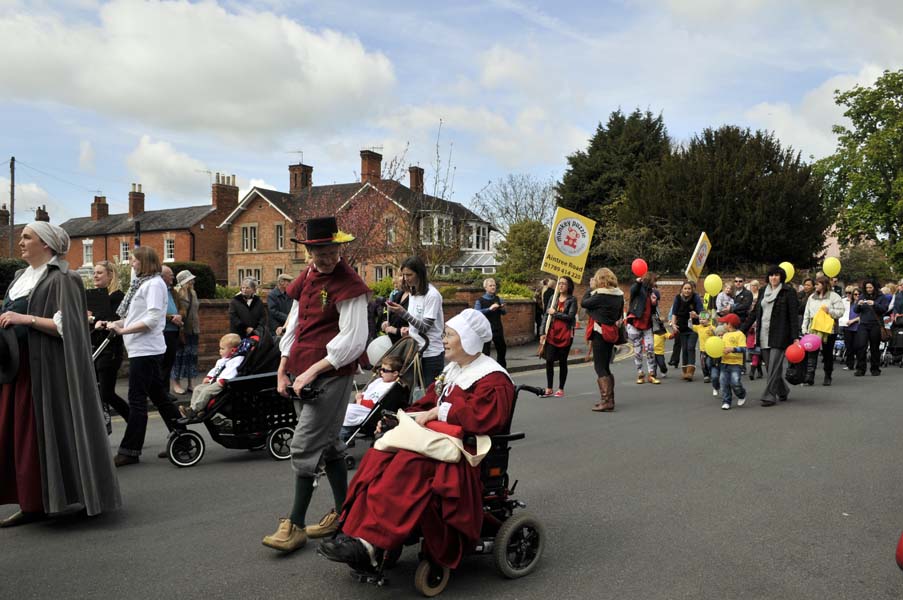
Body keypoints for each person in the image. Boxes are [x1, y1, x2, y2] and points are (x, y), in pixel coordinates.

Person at [317, 309, 514, 570]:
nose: (443, 340)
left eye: (450, 335)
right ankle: (354, 530)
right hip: (434, 442)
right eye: (445, 334)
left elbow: (485, 418)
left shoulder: (493, 378)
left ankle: (371, 542)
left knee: (406, 464)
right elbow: (427, 402)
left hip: (463, 452)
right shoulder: (454, 369)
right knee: (379, 454)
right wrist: (400, 419)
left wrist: (438, 412)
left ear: (469, 340)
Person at [262, 216, 370, 554]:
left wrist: (312, 372)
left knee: (304, 446)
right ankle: (346, 513)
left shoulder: (349, 284)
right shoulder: (307, 277)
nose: (323, 257)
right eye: (317, 251)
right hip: (300, 371)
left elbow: (354, 339)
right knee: (329, 445)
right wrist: (283, 368)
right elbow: (294, 326)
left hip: (331, 374)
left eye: (329, 250)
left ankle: (294, 525)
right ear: (309, 250)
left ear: (339, 247)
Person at [0, 222, 120, 526]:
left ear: (47, 244)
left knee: (58, 431)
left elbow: (69, 327)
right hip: (18, 368)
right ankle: (32, 503)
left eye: (28, 237)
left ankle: (80, 496)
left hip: (50, 371)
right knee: (21, 436)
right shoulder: (19, 278)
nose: (21, 242)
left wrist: (23, 318)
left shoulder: (63, 279)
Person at [99, 246, 186, 466]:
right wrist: (115, 324)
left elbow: (153, 320)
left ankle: (130, 450)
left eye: (134, 260)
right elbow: (134, 317)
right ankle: (182, 439)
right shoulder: (142, 284)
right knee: (160, 397)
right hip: (141, 349)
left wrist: (123, 330)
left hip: (146, 351)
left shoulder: (155, 285)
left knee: (137, 400)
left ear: (145, 262)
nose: (131, 264)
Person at [741, 265, 800, 407]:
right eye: (771, 275)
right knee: (770, 366)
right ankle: (783, 390)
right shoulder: (763, 291)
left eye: (777, 275)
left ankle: (769, 395)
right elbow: (755, 313)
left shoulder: (788, 292)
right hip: (763, 334)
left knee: (773, 365)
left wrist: (795, 337)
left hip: (780, 334)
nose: (774, 278)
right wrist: (742, 329)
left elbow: (793, 316)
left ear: (781, 277)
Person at [386, 256, 445, 384]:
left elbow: (425, 327)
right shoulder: (413, 292)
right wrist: (409, 329)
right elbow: (415, 324)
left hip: (431, 354)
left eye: (409, 275)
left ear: (420, 274)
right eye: (403, 275)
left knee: (430, 395)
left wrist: (403, 313)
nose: (406, 278)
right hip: (414, 352)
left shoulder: (432, 295)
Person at [89, 260, 129, 423]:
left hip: (110, 350)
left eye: (99, 273)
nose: (95, 276)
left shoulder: (117, 296)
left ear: (110, 275)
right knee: (98, 393)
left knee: (106, 393)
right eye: (94, 273)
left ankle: (133, 420)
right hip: (95, 349)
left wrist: (92, 318)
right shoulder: (97, 295)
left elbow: (113, 320)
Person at [582, 268, 624, 412]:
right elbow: (619, 314)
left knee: (599, 367)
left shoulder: (600, 295)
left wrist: (590, 288)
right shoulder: (619, 295)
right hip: (611, 331)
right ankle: (610, 399)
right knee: (606, 366)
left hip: (600, 332)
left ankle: (606, 401)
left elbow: (584, 303)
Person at [338, 355, 403, 443]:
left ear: (395, 373)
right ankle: (342, 434)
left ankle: (345, 436)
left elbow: (376, 404)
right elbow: (368, 393)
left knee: (347, 411)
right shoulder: (378, 381)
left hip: (371, 412)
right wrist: (361, 396)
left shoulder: (392, 387)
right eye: (380, 369)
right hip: (362, 406)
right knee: (342, 408)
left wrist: (361, 401)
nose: (381, 372)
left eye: (384, 370)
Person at [179, 333, 243, 420]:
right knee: (198, 389)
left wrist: (224, 381)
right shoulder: (222, 360)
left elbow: (232, 371)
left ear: (232, 350)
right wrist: (209, 377)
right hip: (214, 381)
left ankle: (193, 410)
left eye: (222, 349)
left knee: (207, 391)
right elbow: (215, 370)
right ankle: (197, 410)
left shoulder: (236, 360)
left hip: (223, 384)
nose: (220, 351)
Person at [801, 275, 844, 386]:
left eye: (817, 284)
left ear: (824, 285)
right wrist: (804, 327)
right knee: (812, 352)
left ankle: (827, 375)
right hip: (814, 328)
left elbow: (841, 311)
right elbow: (807, 313)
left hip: (829, 329)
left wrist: (829, 310)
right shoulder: (812, 297)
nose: (815, 286)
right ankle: (809, 377)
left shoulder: (834, 297)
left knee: (827, 353)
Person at [539, 276, 577, 397]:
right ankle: (549, 388)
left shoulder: (572, 300)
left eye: (564, 284)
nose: (560, 286)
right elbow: (546, 316)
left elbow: (570, 317)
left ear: (569, 286)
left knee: (562, 361)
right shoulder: (553, 298)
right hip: (552, 333)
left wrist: (555, 313)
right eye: (559, 283)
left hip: (565, 334)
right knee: (549, 360)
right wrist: (542, 332)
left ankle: (561, 388)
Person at [626, 272, 659, 385]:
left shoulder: (652, 292)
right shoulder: (639, 288)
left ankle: (651, 374)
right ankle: (640, 373)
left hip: (647, 325)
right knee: (638, 351)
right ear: (650, 280)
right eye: (654, 281)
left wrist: (654, 303)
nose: (655, 283)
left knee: (650, 350)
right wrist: (637, 282)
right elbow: (632, 291)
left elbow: (652, 310)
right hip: (635, 323)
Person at [853, 278, 890, 376]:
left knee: (875, 347)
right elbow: (855, 310)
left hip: (875, 325)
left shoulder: (882, 297)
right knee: (861, 346)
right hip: (863, 324)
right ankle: (860, 369)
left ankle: (875, 368)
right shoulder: (862, 296)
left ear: (874, 287)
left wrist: (875, 304)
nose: (868, 289)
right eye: (867, 288)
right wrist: (859, 304)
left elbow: (884, 309)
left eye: (870, 287)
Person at [171, 270, 199, 395]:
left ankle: (191, 383)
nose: (192, 281)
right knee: (179, 357)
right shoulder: (178, 294)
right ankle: (176, 384)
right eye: (190, 280)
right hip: (182, 331)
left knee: (192, 357)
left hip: (194, 330)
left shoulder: (193, 293)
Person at [670, 281, 703, 381]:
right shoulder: (678, 298)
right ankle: (685, 371)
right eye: (685, 288)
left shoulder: (696, 297)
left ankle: (690, 372)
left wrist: (696, 315)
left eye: (689, 289)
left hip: (694, 327)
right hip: (682, 327)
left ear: (692, 290)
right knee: (684, 349)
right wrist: (673, 324)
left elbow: (703, 313)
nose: (687, 290)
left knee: (690, 347)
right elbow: (674, 312)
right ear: (682, 289)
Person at [160, 265, 184, 392]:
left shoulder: (173, 291)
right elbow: (155, 312)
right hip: (163, 331)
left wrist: (179, 315)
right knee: (161, 364)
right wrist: (171, 318)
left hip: (174, 331)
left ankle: (165, 392)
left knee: (169, 363)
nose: (173, 277)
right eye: (171, 275)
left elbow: (181, 307)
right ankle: (160, 393)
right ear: (162, 276)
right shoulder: (157, 290)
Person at [475, 277, 507, 368]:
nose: (493, 287)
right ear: (485, 288)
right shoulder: (480, 300)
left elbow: (504, 313)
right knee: (485, 352)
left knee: (502, 349)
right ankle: (486, 370)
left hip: (497, 328)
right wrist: (489, 309)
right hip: (486, 328)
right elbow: (476, 313)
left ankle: (502, 369)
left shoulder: (498, 298)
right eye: (490, 286)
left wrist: (503, 308)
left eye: (494, 285)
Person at [718, 314, 748, 410]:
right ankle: (726, 401)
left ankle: (741, 394)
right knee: (724, 383)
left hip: (736, 364)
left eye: (724, 323)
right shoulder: (725, 335)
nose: (723, 325)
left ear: (729, 324)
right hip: (724, 362)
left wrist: (733, 349)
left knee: (735, 382)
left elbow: (743, 349)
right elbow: (720, 347)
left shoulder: (740, 335)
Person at [380, 274, 409, 345]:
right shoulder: (397, 295)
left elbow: (417, 326)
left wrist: (396, 331)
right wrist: (385, 322)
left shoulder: (415, 297)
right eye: (400, 275)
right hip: (393, 344)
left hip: (406, 345)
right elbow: (388, 313)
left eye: (407, 274)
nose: (401, 279)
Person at [840, 287, 860, 371]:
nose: (857, 296)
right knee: (849, 346)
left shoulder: (862, 303)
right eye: (855, 294)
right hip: (847, 326)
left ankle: (859, 365)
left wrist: (853, 320)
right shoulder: (848, 303)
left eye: (859, 294)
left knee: (857, 346)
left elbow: (863, 316)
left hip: (857, 327)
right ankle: (850, 364)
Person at [268, 273, 294, 337]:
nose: (290, 283)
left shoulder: (288, 293)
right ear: (281, 282)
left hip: (288, 324)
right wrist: (287, 317)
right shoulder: (272, 295)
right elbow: (273, 311)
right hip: (277, 326)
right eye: (288, 281)